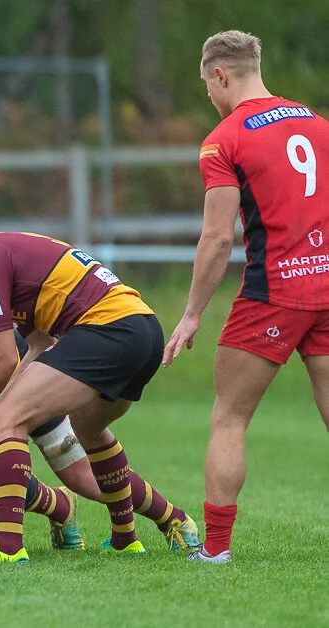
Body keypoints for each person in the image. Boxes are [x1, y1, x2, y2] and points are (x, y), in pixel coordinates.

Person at [0, 190, 199, 563]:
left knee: (6, 420)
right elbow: (38, 344)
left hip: (107, 329)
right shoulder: (1, 250)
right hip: (141, 329)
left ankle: (7, 550)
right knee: (87, 428)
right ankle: (136, 535)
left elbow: (2, 357)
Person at [163, 31, 329, 564]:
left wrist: (191, 315)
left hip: (273, 294)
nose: (210, 99)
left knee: (229, 418)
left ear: (220, 75)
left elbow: (217, 239)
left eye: (208, 87)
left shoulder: (224, 139)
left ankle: (214, 551)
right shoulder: (318, 125)